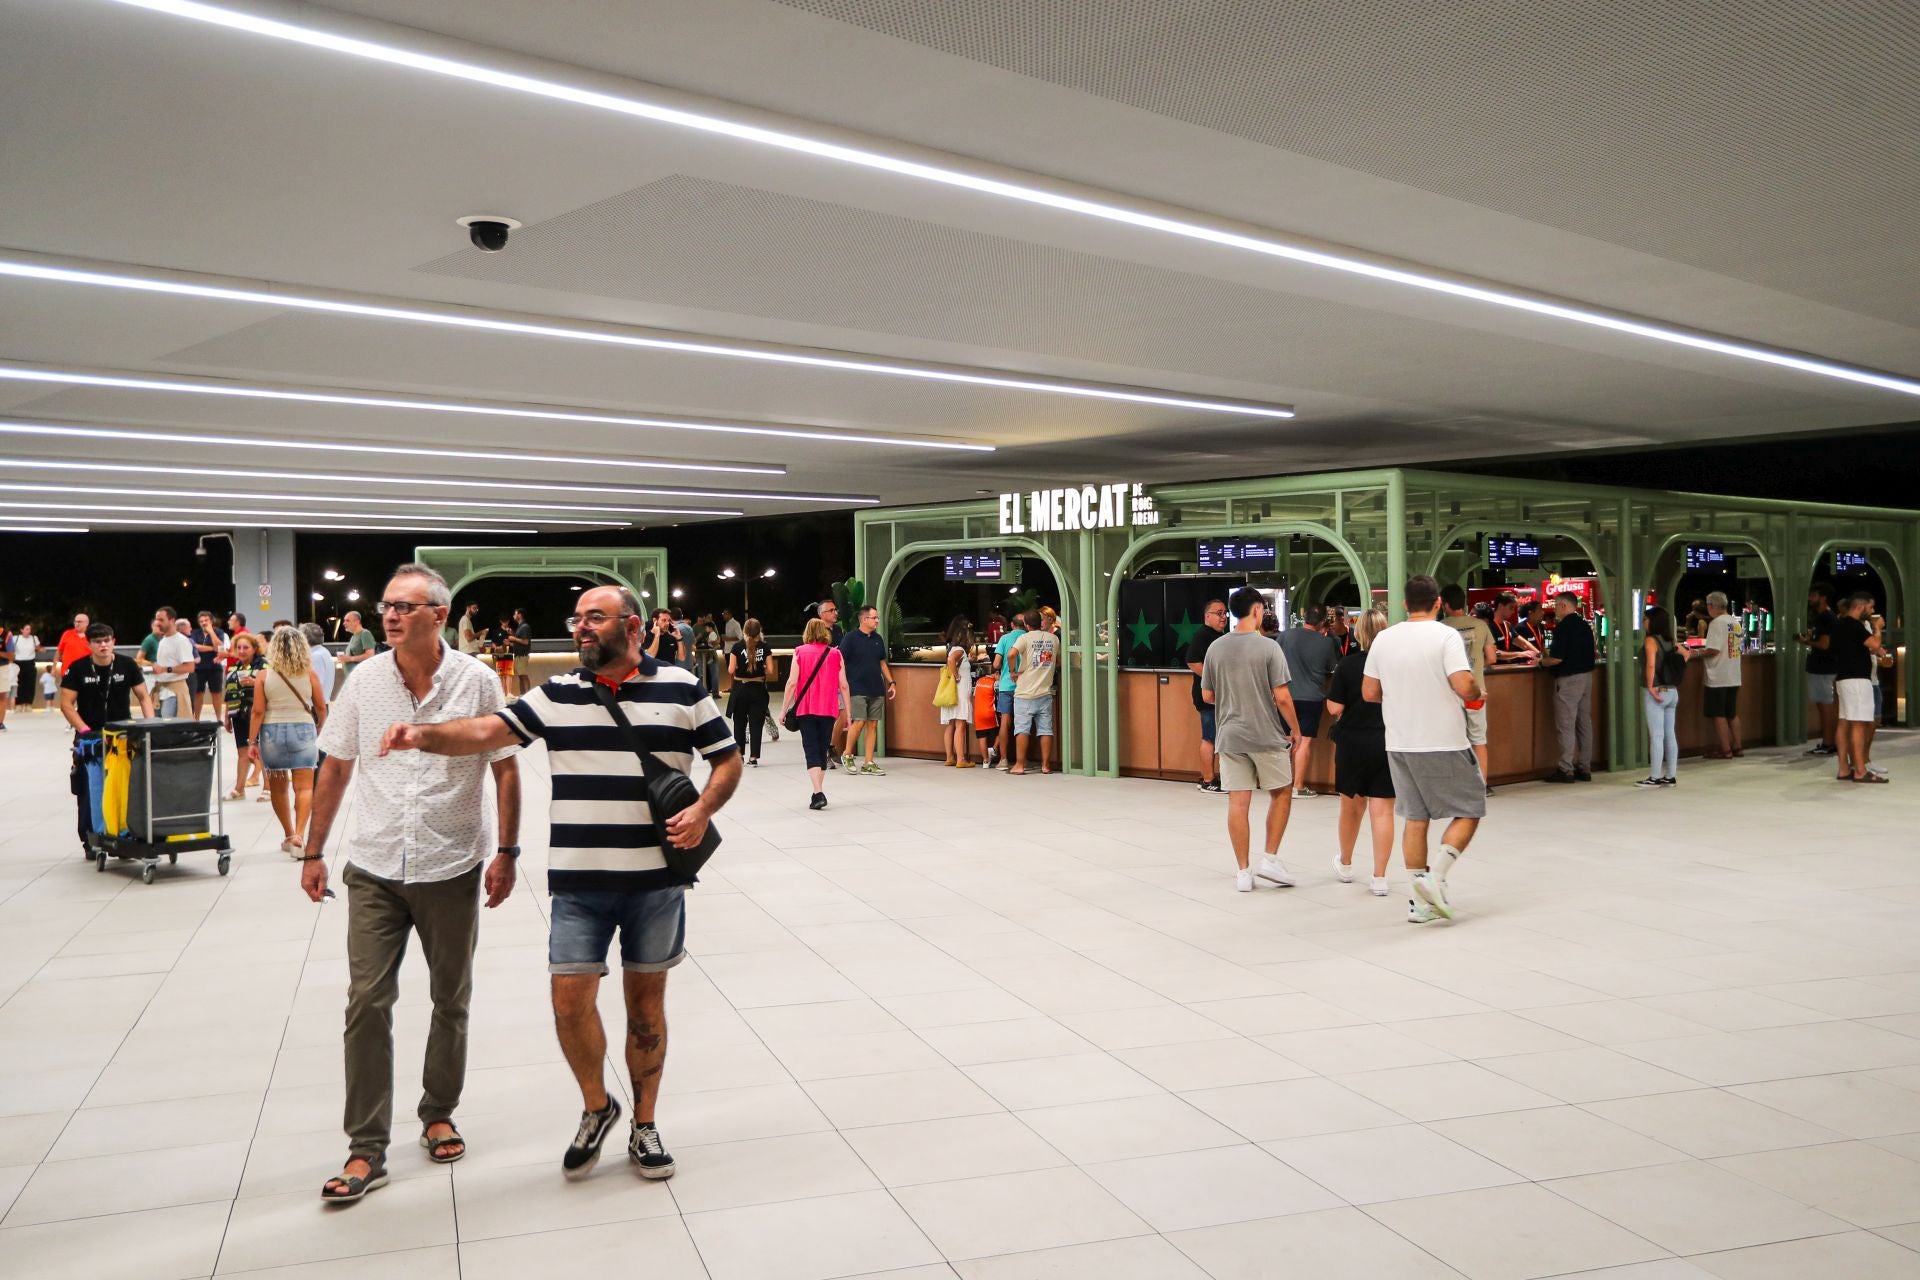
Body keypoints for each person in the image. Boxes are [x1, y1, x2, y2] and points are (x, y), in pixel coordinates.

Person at [382, 583, 736, 1185]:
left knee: (646, 1009)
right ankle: (598, 1106)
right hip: (578, 883)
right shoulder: (558, 695)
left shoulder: (683, 687)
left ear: (632, 625)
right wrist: (425, 734)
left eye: (594, 618)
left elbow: (725, 760)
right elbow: (488, 733)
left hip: (656, 882)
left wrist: (703, 809)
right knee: (569, 1003)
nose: (581, 627)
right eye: (577, 618)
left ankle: (645, 1125)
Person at [300, 562, 523, 1204]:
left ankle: (438, 1110)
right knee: (366, 1001)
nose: (390, 615)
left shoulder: (478, 681)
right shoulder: (363, 681)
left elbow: (505, 769)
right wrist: (313, 851)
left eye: (404, 606)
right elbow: (336, 766)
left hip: (452, 864)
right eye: (386, 605)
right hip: (373, 864)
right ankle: (366, 1147)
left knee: (450, 997)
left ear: (439, 615)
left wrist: (506, 850)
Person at [1363, 576, 1483, 923]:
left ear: (1404, 604)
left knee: (1416, 818)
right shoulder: (1445, 635)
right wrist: (1475, 692)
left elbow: (1369, 692)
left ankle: (1420, 904)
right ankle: (1437, 877)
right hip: (1443, 740)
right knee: (1471, 807)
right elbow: (1464, 684)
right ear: (1438, 603)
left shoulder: (1385, 639)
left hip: (1399, 742)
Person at [1202, 587, 1299, 893]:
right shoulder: (1269, 648)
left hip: (1230, 735)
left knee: (1238, 802)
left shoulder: (1215, 648)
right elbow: (1282, 696)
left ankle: (1243, 871)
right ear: (1257, 610)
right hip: (1266, 734)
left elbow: (1207, 694)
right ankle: (1270, 858)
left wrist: (1234, 698)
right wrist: (1295, 729)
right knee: (1281, 793)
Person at [60, 622, 154, 849]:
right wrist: (84, 731)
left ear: (114, 641)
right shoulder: (78, 668)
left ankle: (125, 831)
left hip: (122, 736)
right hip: (90, 737)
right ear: (90, 644)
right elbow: (66, 704)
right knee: (88, 788)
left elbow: (143, 696)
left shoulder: (127, 664)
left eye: (107, 640)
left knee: (125, 784)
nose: (103, 645)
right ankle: (90, 838)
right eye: (98, 642)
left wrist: (150, 725)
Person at [1326, 605, 1395, 896]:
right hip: (1387, 740)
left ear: (1359, 634)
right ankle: (1379, 877)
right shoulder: (1395, 665)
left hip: (1352, 741)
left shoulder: (1349, 665)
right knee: (1382, 811)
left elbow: (1334, 707)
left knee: (1350, 807)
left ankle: (1346, 862)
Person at [252, 625, 328, 855]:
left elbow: (257, 711)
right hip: (303, 729)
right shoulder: (310, 674)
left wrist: (251, 741)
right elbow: (321, 707)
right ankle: (299, 835)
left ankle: (288, 834)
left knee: (279, 788)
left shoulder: (264, 675)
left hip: (271, 732)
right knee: (304, 787)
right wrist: (318, 728)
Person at [1439, 585, 1498, 793]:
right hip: (1476, 691)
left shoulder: (1441, 627)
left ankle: (1454, 785)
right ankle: (1481, 786)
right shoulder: (1480, 625)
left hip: (1450, 693)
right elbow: (1492, 657)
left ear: (1444, 604)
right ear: (1464, 603)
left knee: (1452, 740)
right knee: (1478, 740)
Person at [1275, 604, 1339, 798]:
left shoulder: (1285, 636)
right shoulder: (1327, 643)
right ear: (1323, 623)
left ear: (1305, 617)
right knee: (1305, 741)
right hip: (1312, 697)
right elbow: (1332, 667)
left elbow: (1273, 661)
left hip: (1285, 695)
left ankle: (1280, 784)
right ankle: (1298, 786)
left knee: (1286, 740)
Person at [784, 617, 847, 809]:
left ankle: (818, 792)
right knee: (821, 749)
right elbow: (843, 685)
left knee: (810, 748)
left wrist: (784, 709)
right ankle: (817, 791)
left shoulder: (800, 652)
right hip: (829, 709)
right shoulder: (836, 654)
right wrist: (849, 714)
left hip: (806, 709)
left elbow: (792, 683)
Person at [1537, 592, 1596, 783]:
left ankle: (1565, 768)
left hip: (1569, 680)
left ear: (1563, 605)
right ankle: (1584, 767)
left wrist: (1542, 662)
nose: (1554, 609)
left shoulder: (1564, 628)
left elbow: (1557, 658)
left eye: (1555, 606)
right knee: (1584, 723)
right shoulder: (1584, 625)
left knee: (1566, 724)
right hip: (1586, 677)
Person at [1825, 592, 1883, 783]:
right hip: (1857, 680)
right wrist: (1878, 628)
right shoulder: (1854, 625)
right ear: (1860, 607)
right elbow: (1874, 644)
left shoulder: (1839, 625)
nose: (1872, 611)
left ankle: (1843, 768)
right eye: (1870, 607)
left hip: (1842, 679)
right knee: (1859, 723)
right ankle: (1860, 770)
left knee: (1844, 722)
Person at [1638, 606, 1697, 788]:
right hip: (1672, 691)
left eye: (1646, 619)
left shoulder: (1651, 641)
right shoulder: (1671, 641)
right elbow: (1687, 654)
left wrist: (1650, 685)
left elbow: (1650, 665)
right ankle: (1670, 775)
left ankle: (1654, 776)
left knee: (1656, 735)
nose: (1644, 623)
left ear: (1653, 622)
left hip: (1656, 691)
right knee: (1669, 734)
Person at [839, 604, 895, 775]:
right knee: (859, 721)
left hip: (876, 688)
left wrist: (892, 682)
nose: (877, 620)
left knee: (873, 724)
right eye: (874, 617)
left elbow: (882, 662)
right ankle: (847, 754)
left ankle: (868, 762)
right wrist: (842, 683)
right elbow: (840, 661)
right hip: (856, 687)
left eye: (877, 617)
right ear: (864, 619)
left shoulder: (878, 638)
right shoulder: (850, 638)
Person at [1007, 609, 1060, 775]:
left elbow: (1011, 654)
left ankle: (1020, 765)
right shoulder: (1054, 638)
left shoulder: (1024, 638)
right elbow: (1057, 662)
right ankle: (1045, 765)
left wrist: (1012, 670)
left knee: (1022, 729)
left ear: (1026, 625)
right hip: (1045, 691)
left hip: (1024, 692)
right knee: (1045, 729)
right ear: (1041, 622)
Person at [1186, 599, 1228, 793]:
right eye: (1218, 613)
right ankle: (1208, 780)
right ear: (1207, 616)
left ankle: (1210, 775)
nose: (1223, 617)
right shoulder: (1203, 636)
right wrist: (1214, 681)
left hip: (1218, 695)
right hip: (1207, 695)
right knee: (1209, 737)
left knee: (1215, 736)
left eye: (1225, 613)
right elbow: (1193, 662)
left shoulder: (1219, 636)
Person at [1700, 592, 1744, 759]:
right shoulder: (1734, 622)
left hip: (1718, 676)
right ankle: (1738, 747)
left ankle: (1725, 751)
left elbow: (1713, 650)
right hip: (1733, 674)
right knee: (1731, 713)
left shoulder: (1716, 623)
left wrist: (1696, 653)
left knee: (1719, 714)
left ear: (1711, 606)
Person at [222, 632, 266, 799]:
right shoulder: (234, 668)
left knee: (261, 751)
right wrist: (227, 716)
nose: (241, 651)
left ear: (255, 649)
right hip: (238, 714)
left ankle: (267, 789)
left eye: (246, 647)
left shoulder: (264, 666)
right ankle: (239, 789)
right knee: (242, 752)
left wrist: (256, 683)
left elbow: (272, 687)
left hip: (257, 713)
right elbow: (229, 693)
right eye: (238, 647)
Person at [1797, 582, 1839, 756]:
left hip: (1824, 668)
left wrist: (1805, 641)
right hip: (1822, 667)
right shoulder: (1822, 617)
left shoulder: (1826, 617)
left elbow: (1824, 644)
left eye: (1813, 595)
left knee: (1825, 705)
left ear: (1823, 598)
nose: (1810, 598)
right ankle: (1828, 742)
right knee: (1823, 704)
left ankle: (1829, 743)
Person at [727, 618, 775, 765]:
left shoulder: (737, 647)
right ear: (759, 631)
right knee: (756, 723)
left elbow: (730, 669)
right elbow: (771, 670)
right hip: (758, 689)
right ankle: (754, 757)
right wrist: (761, 669)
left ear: (744, 631)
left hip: (740, 689)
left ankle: (739, 755)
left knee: (739, 723)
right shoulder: (765, 647)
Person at [937, 616, 977, 768]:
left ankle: (950, 757)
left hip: (951, 694)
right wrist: (957, 676)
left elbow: (952, 659)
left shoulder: (953, 648)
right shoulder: (959, 650)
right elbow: (951, 660)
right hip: (959, 693)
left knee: (950, 725)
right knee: (960, 726)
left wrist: (968, 662)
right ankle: (961, 759)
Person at [991, 611, 1026, 770]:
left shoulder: (1004, 639)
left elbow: (996, 664)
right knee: (1022, 722)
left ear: (1011, 625)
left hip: (1005, 685)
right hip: (1024, 685)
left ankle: (1003, 760)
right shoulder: (1028, 637)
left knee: (1005, 721)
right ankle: (1021, 761)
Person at [151, 612, 197, 719]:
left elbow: (190, 667)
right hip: (161, 689)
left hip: (174, 692)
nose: (157, 623)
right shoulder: (163, 641)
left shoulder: (181, 641)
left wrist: (166, 669)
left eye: (161, 620)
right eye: (157, 620)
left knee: (169, 729)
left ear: (171, 620)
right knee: (158, 728)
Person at [186, 611, 227, 718]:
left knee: (216, 693)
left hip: (214, 668)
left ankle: (218, 718)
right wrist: (211, 648)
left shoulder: (219, 632)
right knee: (198, 693)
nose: (203, 623)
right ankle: (196, 718)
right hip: (198, 668)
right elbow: (194, 646)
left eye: (206, 620)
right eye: (201, 621)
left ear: (211, 621)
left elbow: (220, 647)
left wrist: (211, 632)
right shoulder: (195, 633)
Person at [1490, 592, 1537, 664]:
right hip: (1492, 672)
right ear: (1500, 606)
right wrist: (1519, 654)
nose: (1513, 611)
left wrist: (1539, 655)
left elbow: (1524, 643)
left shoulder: (1508, 625)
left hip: (1507, 669)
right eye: (1511, 607)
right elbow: (1494, 653)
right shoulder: (1488, 626)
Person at [55, 612, 92, 678]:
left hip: (86, 673)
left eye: (79, 622)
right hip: (67, 672)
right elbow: (59, 651)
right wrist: (53, 668)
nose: (77, 624)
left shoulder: (92, 636)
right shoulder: (67, 634)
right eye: (75, 622)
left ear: (87, 623)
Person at [13, 621, 37, 712]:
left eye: (30, 629)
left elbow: (39, 647)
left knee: (30, 684)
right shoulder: (16, 638)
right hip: (18, 663)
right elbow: (10, 648)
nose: (29, 631)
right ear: (21, 630)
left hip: (30, 662)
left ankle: (28, 704)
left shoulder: (34, 638)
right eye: (27, 629)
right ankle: (18, 704)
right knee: (18, 684)